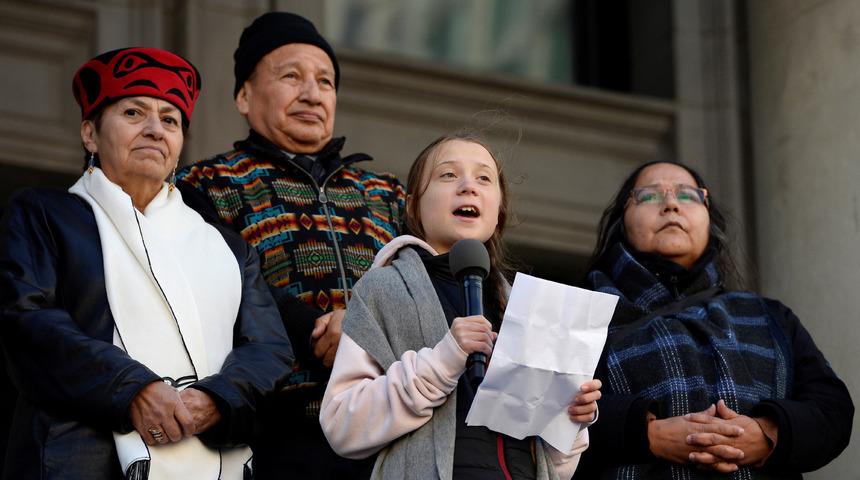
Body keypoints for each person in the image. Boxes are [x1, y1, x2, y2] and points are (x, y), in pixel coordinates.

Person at [0, 47, 293, 479]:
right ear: (89, 134)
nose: (155, 130)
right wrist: (133, 389)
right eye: (134, 113)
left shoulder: (228, 249)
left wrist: (214, 400)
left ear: (178, 147)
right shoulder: (46, 215)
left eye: (170, 120)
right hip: (78, 459)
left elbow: (269, 350)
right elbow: (26, 318)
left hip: (213, 455)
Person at [176, 11, 405, 478]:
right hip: (279, 431)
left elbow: (425, 284)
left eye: (325, 81)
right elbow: (231, 283)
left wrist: (362, 328)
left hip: (393, 427)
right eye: (291, 77)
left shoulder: (389, 194)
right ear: (244, 95)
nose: (312, 93)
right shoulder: (203, 184)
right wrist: (321, 331)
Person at [319, 132, 601, 479]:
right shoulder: (383, 287)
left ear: (498, 211)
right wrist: (444, 359)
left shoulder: (525, 310)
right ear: (412, 206)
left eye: (484, 178)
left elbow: (556, 466)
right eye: (448, 175)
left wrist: (569, 418)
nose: (468, 186)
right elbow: (342, 424)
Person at [573, 161, 854, 479]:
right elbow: (542, 414)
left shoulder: (769, 316)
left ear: (710, 219)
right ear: (621, 221)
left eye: (689, 196)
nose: (671, 205)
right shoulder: (579, 316)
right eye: (650, 196)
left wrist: (767, 434)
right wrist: (646, 434)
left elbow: (833, 410)